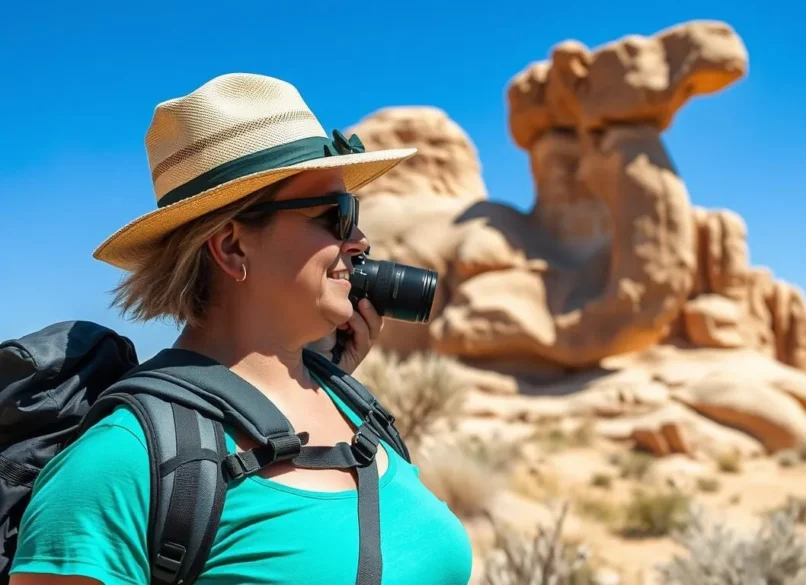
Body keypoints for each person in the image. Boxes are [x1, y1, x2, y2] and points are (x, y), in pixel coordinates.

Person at [8, 73, 474, 585]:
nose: (360, 239)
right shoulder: (121, 465)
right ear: (231, 247)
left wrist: (323, 374)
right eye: (335, 216)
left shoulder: (354, 408)